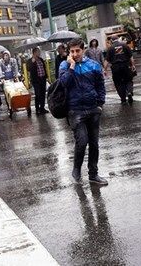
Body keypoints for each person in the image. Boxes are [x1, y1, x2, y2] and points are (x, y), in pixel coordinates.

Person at [58, 38, 108, 185]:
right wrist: (71, 66)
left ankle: (93, 174)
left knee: (94, 143)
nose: (75, 54)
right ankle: (76, 169)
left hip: (93, 108)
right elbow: (63, 83)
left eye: (77, 51)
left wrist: (100, 105)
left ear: (83, 50)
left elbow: (100, 85)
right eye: (72, 51)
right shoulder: (65, 65)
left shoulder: (93, 65)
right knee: (82, 141)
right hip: (75, 110)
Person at [103, 35, 136, 105]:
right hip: (125, 65)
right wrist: (133, 65)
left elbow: (106, 61)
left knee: (118, 83)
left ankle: (123, 99)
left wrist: (104, 69)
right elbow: (131, 57)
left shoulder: (110, 48)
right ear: (118, 39)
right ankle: (129, 92)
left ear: (111, 40)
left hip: (115, 68)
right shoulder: (125, 45)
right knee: (129, 80)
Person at [27, 47, 50, 114]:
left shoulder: (41, 59)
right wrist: (32, 62)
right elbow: (28, 69)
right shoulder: (30, 60)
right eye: (38, 52)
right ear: (34, 53)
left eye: (39, 52)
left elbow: (44, 68)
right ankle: (37, 109)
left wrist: (46, 77)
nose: (39, 53)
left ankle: (42, 108)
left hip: (42, 79)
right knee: (38, 94)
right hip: (36, 80)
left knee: (43, 93)